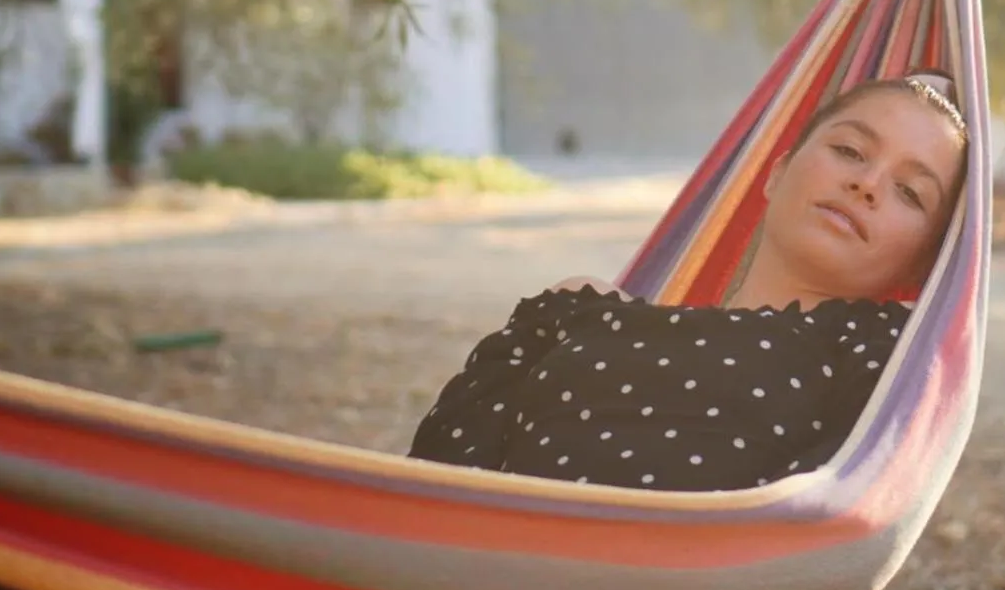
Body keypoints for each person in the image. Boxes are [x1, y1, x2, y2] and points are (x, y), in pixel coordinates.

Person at [408, 71, 968, 491]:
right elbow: (434, 484)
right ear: (776, 171)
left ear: (924, 265)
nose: (867, 183)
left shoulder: (882, 353)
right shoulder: (576, 309)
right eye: (849, 150)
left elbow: (820, 523)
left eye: (910, 192)